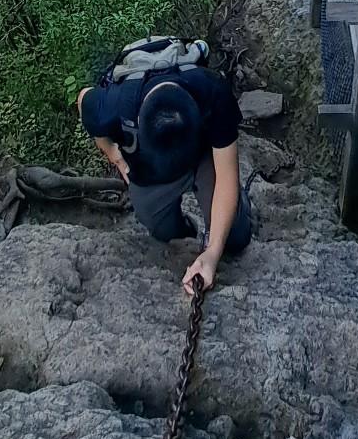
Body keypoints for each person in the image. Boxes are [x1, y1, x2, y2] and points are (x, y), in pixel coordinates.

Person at [77, 36, 254, 295]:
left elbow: (226, 174)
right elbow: (83, 100)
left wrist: (212, 254)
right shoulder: (114, 105)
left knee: (235, 238)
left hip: (202, 156)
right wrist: (114, 155)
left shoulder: (212, 92)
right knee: (164, 233)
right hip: (151, 168)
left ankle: (240, 211)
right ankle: (185, 228)